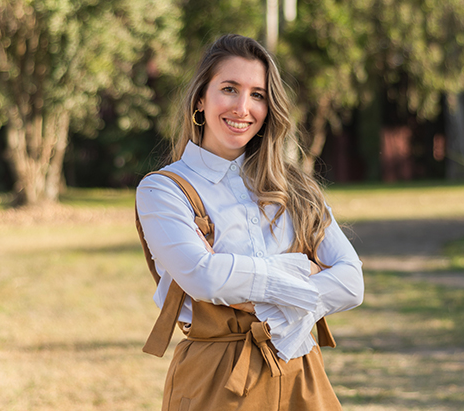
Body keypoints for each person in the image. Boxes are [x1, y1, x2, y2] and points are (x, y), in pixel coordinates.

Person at [135, 34, 364, 411]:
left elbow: (352, 283)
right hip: (216, 377)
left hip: (301, 370)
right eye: (229, 89)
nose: (243, 107)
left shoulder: (297, 189)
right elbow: (204, 277)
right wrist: (297, 273)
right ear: (200, 100)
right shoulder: (163, 191)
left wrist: (253, 290)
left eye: (258, 94)